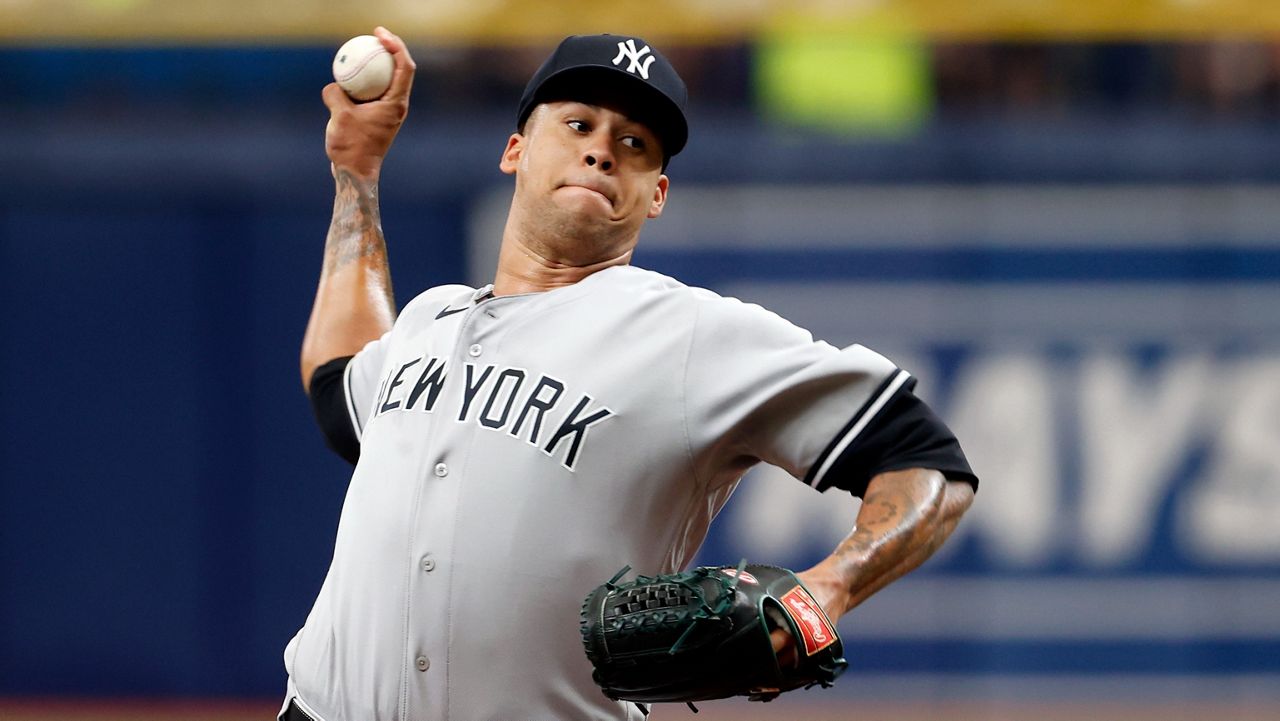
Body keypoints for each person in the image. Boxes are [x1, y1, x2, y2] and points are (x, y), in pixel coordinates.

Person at [282, 26, 978, 721]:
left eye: (634, 144)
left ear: (657, 195)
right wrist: (357, 173)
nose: (601, 149)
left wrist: (829, 587)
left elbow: (928, 462)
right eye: (579, 122)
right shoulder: (431, 319)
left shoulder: (693, 335)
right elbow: (337, 386)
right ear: (515, 151)